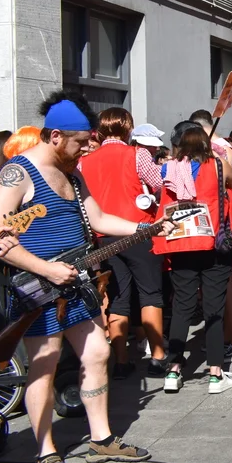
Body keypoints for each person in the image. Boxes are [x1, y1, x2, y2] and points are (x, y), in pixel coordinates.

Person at [0, 91, 171, 463]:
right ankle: (46, 454)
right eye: (79, 143)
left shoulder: (72, 173)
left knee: (97, 352)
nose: (84, 150)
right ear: (56, 136)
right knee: (44, 366)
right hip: (37, 288)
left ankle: (101, 438)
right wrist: (46, 269)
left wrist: (149, 228)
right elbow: (0, 237)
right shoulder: (17, 174)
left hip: (76, 283)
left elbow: (100, 218)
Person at [77, 107, 167, 379]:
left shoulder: (84, 162)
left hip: (103, 236)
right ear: (128, 128)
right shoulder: (137, 154)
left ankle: (122, 361)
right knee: (151, 294)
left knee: (118, 296)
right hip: (138, 230)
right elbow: (160, 185)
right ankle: (158, 358)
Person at [154, 123, 232, 396]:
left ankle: (173, 370)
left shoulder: (169, 169)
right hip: (214, 244)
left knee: (182, 307)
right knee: (213, 309)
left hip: (181, 244)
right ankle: (215, 373)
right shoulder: (217, 165)